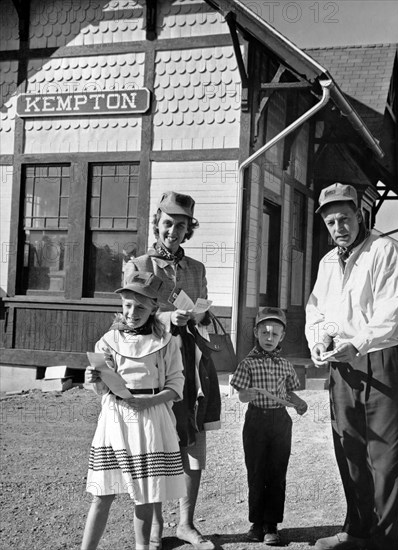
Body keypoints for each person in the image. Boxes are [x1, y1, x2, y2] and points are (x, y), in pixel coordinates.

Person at [305, 183, 398, 550]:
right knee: (348, 447)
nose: (340, 227)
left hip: (381, 358)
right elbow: (316, 310)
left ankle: (384, 542)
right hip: (342, 362)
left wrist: (358, 342)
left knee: (383, 456)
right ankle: (357, 529)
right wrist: (319, 339)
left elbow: (392, 307)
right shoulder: (325, 263)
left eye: (345, 218)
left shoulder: (382, 250)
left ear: (359, 216)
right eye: (332, 221)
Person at [124, 191, 221, 550]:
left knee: (192, 441)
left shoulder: (196, 269)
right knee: (157, 443)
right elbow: (129, 319)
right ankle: (154, 527)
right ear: (157, 224)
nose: (174, 231)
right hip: (154, 365)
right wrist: (166, 316)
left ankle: (187, 523)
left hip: (192, 363)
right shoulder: (139, 266)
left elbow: (205, 312)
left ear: (188, 229)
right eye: (168, 224)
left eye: (181, 226)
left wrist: (201, 314)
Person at [81, 271, 186, 550]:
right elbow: (104, 386)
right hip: (116, 417)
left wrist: (149, 402)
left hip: (151, 417)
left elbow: (176, 385)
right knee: (103, 493)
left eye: (140, 306)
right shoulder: (109, 340)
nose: (132, 312)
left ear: (154, 307)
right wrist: (95, 380)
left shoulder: (166, 341)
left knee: (147, 494)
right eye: (127, 305)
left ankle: (142, 547)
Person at [230, 307, 308, 546]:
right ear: (256, 332)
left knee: (277, 472)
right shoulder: (247, 364)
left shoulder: (285, 364)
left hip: (280, 422)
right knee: (256, 471)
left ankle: (272, 524)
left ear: (282, 336)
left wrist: (298, 402)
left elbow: (289, 393)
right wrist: (246, 395)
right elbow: (241, 395)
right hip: (256, 421)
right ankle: (256, 523)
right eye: (264, 332)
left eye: (275, 334)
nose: (269, 338)